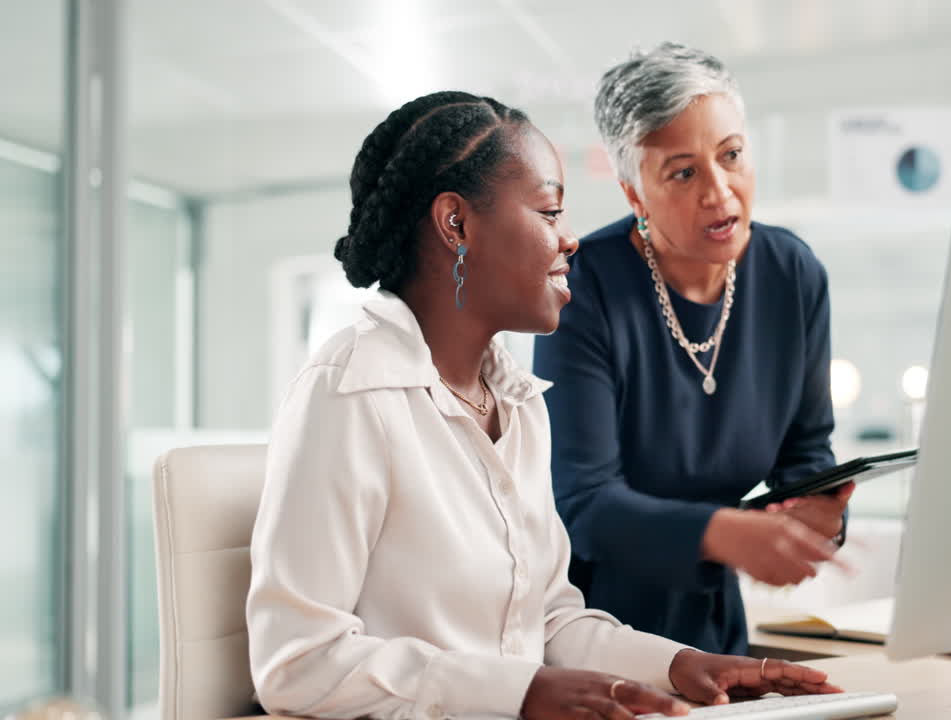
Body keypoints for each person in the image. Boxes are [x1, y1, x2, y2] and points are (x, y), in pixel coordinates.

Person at [245, 91, 841, 720]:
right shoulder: (348, 394)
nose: (570, 240)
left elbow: (549, 621)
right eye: (550, 212)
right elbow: (296, 664)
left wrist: (680, 666)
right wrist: (519, 692)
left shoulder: (519, 402)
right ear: (457, 224)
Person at [533, 43, 853, 656]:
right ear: (634, 194)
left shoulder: (793, 274)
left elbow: (805, 453)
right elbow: (584, 504)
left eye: (731, 156)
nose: (719, 190)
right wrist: (724, 533)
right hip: (590, 636)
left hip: (718, 633)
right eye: (683, 172)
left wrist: (819, 515)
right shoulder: (582, 290)